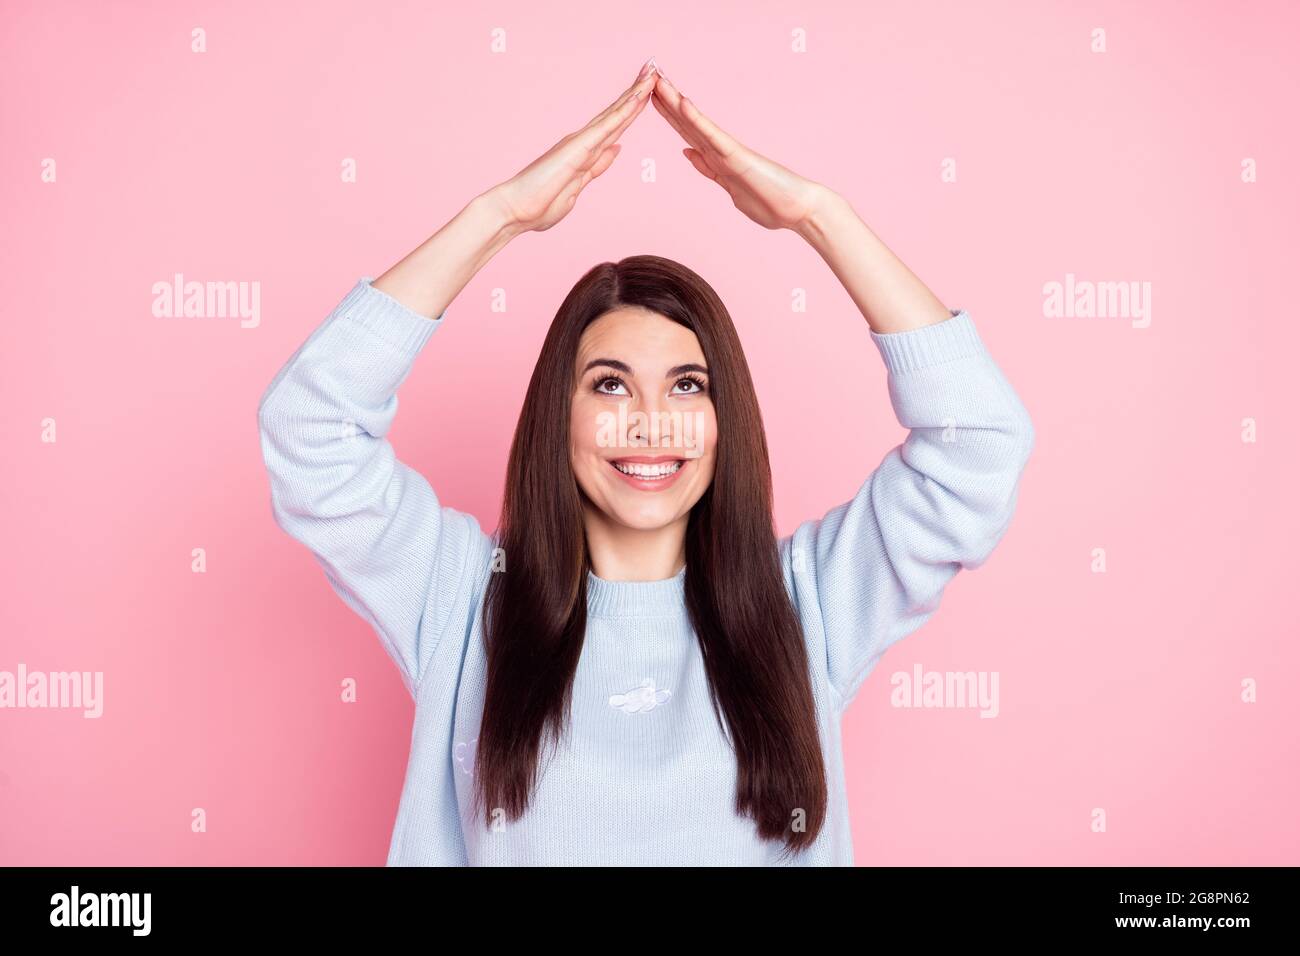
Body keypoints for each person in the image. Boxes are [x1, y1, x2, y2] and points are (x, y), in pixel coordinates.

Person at [257, 57, 1035, 866]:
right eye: (610, 386)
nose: (651, 424)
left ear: (723, 418)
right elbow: (309, 425)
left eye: (687, 386)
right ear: (558, 416)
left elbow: (977, 442)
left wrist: (818, 218)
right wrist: (497, 218)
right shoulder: (460, 599)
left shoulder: (810, 605)